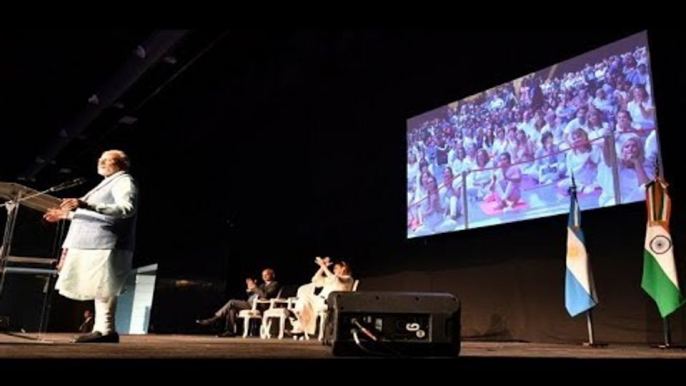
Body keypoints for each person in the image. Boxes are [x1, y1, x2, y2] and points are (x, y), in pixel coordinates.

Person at [43, 149, 138, 344]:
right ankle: (102, 330)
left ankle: (107, 330)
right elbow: (97, 215)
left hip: (108, 243)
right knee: (99, 286)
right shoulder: (108, 183)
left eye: (107, 160)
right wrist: (66, 215)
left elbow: (126, 209)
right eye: (100, 159)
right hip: (97, 243)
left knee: (104, 286)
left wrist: (86, 205)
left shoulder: (124, 181)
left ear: (122, 163)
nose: (100, 162)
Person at [197, 268, 281, 337]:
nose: (264, 276)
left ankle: (213, 319)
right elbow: (254, 294)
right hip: (250, 303)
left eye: (267, 274)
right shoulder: (262, 285)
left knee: (232, 302)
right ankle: (229, 331)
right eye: (263, 275)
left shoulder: (275, 284)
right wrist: (250, 290)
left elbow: (265, 296)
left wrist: (254, 287)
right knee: (231, 309)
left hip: (259, 306)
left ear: (272, 275)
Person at [290, 257, 354, 337]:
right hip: (319, 300)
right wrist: (322, 268)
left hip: (331, 302)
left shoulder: (348, 278)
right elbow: (315, 280)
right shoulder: (331, 278)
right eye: (334, 269)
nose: (334, 270)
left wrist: (323, 265)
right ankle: (297, 316)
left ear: (343, 269)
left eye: (336, 268)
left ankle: (297, 317)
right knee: (303, 298)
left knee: (305, 303)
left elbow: (335, 279)